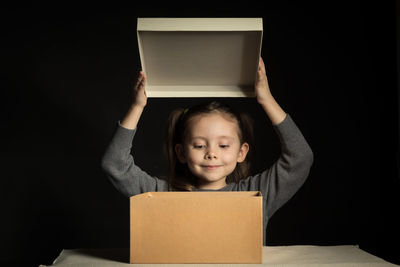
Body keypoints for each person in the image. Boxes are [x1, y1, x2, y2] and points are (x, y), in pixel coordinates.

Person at [101, 57, 314, 245]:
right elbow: (115, 164)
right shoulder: (162, 195)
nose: (211, 153)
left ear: (241, 152)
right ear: (182, 152)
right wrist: (137, 106)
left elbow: (300, 158)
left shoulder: (257, 195)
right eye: (200, 145)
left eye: (223, 145)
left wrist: (266, 99)